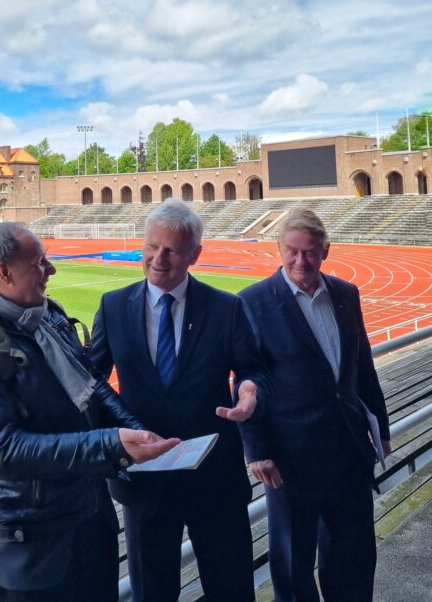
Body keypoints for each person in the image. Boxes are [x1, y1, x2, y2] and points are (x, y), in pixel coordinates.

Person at [0, 222, 179, 602]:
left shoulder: (48, 316)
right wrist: (110, 444)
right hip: (31, 548)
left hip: (87, 524)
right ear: (4, 272)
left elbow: (92, 386)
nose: (51, 270)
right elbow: (2, 450)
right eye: (39, 262)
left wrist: (135, 429)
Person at [90, 199, 270, 602]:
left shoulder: (227, 306)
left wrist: (250, 389)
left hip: (214, 478)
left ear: (194, 255)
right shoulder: (114, 306)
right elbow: (90, 383)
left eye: (172, 249)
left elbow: (253, 369)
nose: (158, 258)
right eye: (152, 246)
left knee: (232, 589)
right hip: (145, 480)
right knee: (153, 593)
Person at [238, 208, 391, 602]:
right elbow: (245, 381)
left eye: (309, 253)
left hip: (348, 452)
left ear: (325, 250)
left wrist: (382, 430)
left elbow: (363, 366)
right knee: (293, 564)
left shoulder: (345, 294)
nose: (300, 262)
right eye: (291, 252)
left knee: (354, 557)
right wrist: (257, 451)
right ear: (279, 249)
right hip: (291, 459)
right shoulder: (253, 302)